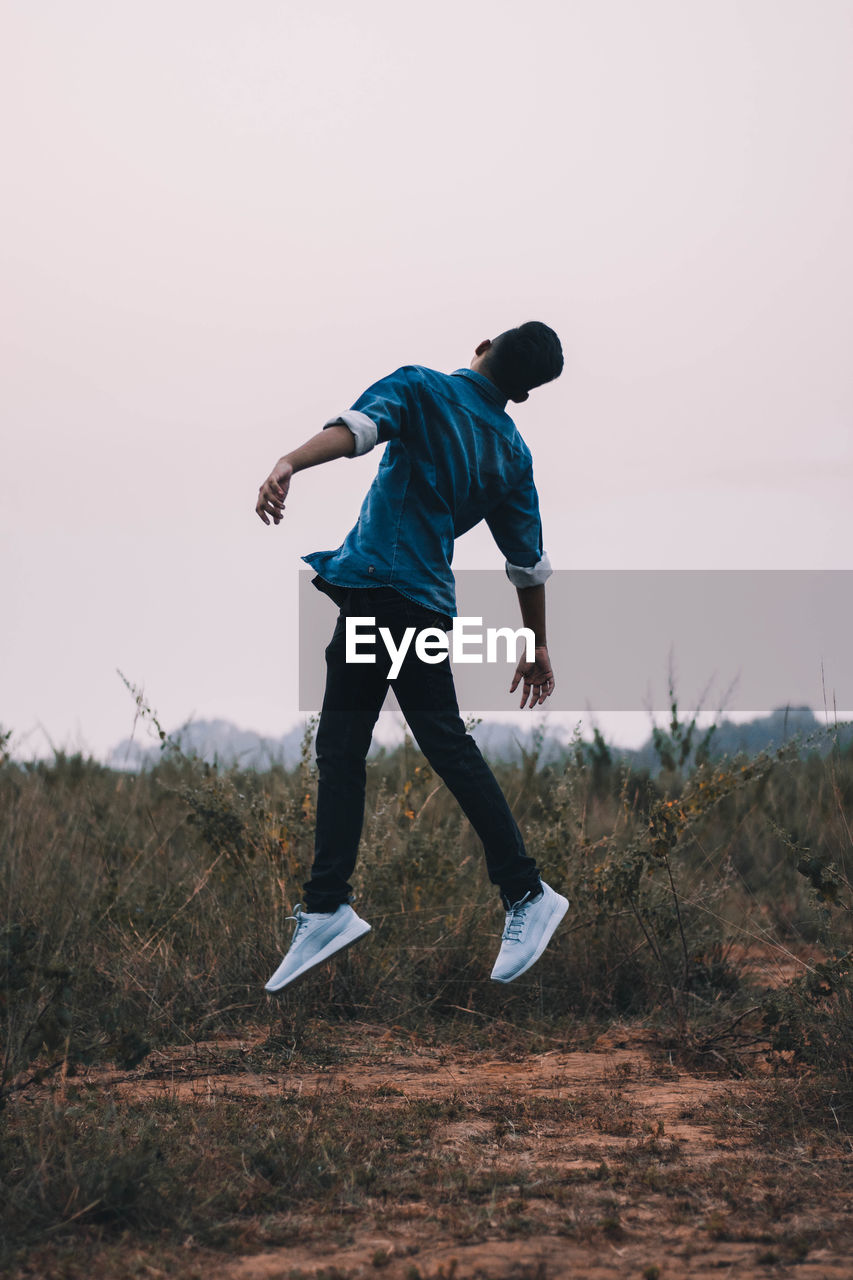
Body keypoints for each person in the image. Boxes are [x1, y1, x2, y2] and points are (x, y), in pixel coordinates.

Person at [256, 321, 569, 991]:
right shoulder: (511, 451)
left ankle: (335, 904)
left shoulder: (423, 388)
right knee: (433, 744)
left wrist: (288, 460)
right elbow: (527, 563)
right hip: (421, 602)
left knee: (344, 748)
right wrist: (535, 642)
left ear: (483, 345)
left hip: (379, 592)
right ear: (523, 393)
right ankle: (337, 904)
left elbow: (358, 431)